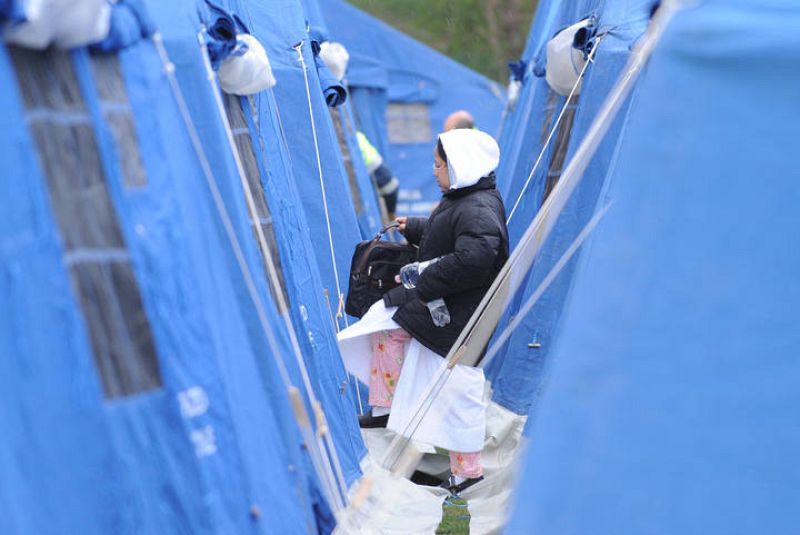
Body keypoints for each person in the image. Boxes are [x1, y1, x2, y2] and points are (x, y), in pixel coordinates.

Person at [337, 128, 509, 494]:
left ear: (459, 166)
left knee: (456, 389)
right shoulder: (464, 197)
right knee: (386, 330)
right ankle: (385, 409)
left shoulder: (476, 207)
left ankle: (467, 471)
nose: (433, 171)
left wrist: (423, 276)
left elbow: (473, 259)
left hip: (460, 316)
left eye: (438, 164)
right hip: (447, 307)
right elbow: (446, 233)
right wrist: (414, 229)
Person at [356, 131, 400, 220]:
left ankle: (389, 216)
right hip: (370, 169)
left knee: (391, 188)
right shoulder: (352, 133)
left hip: (373, 167)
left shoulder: (354, 133)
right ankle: (389, 216)